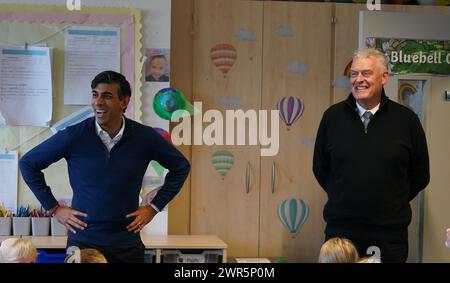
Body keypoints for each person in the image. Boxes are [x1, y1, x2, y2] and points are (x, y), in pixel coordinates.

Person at [20, 70, 190, 263]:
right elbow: (28, 163)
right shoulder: (74, 135)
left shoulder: (145, 137)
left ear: (124, 102)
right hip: (83, 241)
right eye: (95, 94)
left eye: (107, 96)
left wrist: (153, 207)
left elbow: (181, 167)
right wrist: (54, 208)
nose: (98, 102)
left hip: (126, 243)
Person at [313, 48, 430, 263]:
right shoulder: (332, 117)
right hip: (341, 233)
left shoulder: (406, 121)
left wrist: (391, 200)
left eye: (366, 73)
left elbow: (421, 174)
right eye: (354, 74)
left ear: (384, 77)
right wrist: (344, 195)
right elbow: (320, 169)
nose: (359, 80)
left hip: (388, 236)